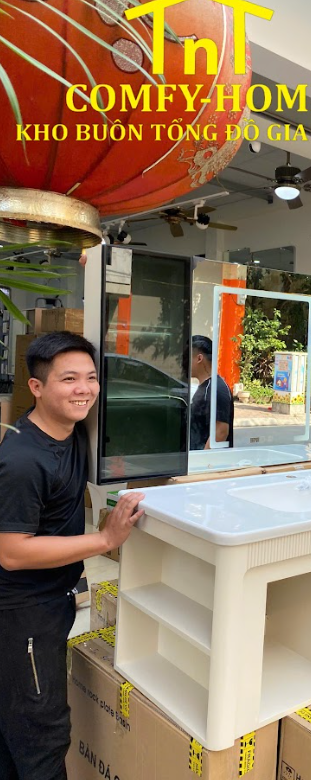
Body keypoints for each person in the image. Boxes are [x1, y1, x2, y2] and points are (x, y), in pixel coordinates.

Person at [0, 331, 145, 780]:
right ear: (37, 387)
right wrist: (105, 540)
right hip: (22, 613)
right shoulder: (23, 460)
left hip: (53, 600)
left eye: (91, 377)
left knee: (15, 724)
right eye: (68, 379)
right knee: (42, 733)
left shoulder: (72, 430)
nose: (84, 389)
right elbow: (12, 552)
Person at [189, 335, 234, 450]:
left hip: (206, 460)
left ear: (199, 358)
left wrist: (203, 458)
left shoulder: (216, 389)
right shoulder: (206, 387)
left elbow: (220, 432)